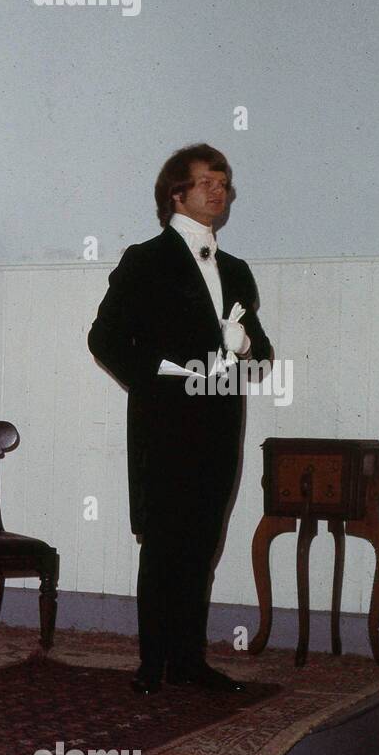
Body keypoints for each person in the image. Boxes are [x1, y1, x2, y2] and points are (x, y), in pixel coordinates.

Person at [87, 144, 274, 696]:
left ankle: (189, 661)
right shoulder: (146, 259)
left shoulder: (235, 270)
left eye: (225, 182)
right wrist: (159, 380)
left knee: (203, 541)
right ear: (177, 193)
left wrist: (242, 347)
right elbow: (105, 338)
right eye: (207, 182)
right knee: (165, 540)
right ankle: (153, 664)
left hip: (219, 418)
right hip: (166, 419)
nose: (220, 191)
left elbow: (260, 354)